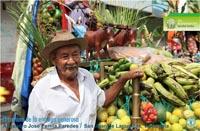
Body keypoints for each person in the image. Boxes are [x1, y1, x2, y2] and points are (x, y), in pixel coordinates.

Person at [22, 32, 143, 131]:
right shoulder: (42, 90)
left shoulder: (87, 77)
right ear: (54, 60)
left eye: (75, 54)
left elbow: (103, 100)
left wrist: (123, 79)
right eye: (65, 56)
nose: (71, 61)